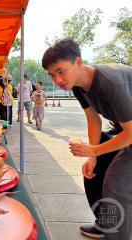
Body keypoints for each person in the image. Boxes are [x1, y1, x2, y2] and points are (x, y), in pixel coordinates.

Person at [42, 38, 132, 240]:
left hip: (129, 132)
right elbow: (93, 119)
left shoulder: (110, 82)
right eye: (52, 75)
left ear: (78, 62)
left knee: (117, 184)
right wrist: (93, 156)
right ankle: (105, 224)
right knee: (94, 172)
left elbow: (131, 133)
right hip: (123, 130)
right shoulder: (77, 86)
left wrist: (93, 150)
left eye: (61, 71)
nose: (57, 80)